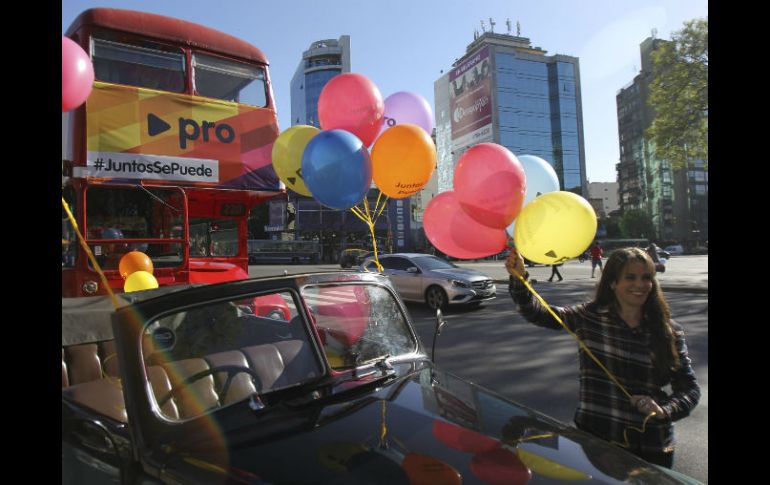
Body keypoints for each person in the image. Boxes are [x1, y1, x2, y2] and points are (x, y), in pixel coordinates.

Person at [504, 247, 700, 468]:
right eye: (630, 277)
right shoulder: (589, 317)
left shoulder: (669, 331)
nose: (640, 285)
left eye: (647, 278)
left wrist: (664, 410)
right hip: (595, 443)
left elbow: (689, 389)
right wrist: (519, 279)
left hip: (651, 448)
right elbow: (538, 313)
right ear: (612, 283)